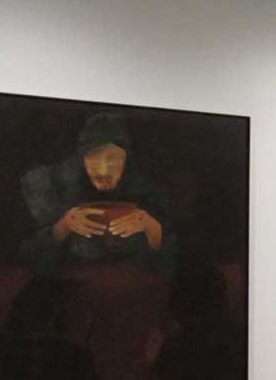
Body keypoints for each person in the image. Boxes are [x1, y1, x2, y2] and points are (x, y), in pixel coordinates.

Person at [20, 112, 175, 274]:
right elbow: (29, 260)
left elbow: (173, 267)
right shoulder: (55, 191)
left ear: (126, 161)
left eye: (113, 159)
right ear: (81, 159)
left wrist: (153, 229)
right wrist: (63, 227)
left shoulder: (152, 195)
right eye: (94, 157)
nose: (103, 170)